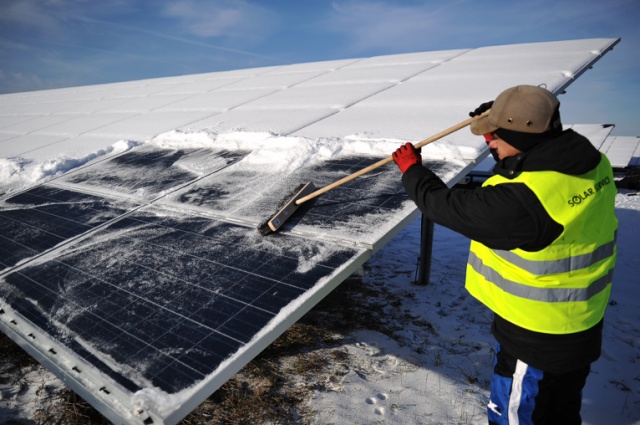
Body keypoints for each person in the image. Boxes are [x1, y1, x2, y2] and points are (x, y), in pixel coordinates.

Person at [391, 85, 618, 425]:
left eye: (495, 137)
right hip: (580, 322)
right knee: (560, 412)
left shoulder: (522, 203)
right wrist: (499, 115)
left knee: (516, 417)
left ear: (524, 137)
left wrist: (412, 170)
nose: (490, 144)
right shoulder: (590, 161)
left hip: (536, 337)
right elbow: (528, 139)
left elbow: (444, 206)